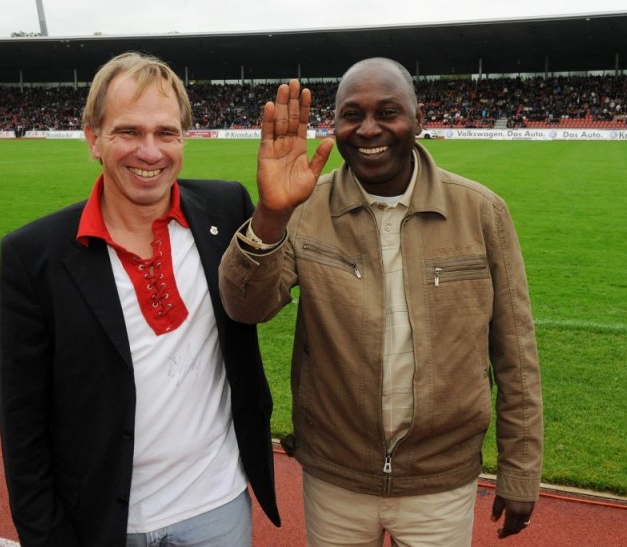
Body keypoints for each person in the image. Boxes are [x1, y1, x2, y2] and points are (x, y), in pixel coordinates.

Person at [219, 57, 543, 546]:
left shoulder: (480, 211)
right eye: (352, 114)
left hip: (440, 480)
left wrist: (520, 470)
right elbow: (246, 307)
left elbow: (516, 353)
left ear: (418, 119)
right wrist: (270, 214)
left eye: (387, 112)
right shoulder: (304, 208)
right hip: (336, 476)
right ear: (336, 123)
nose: (368, 128)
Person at [0, 52, 280, 546]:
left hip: (217, 507)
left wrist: (274, 215)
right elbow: (22, 424)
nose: (150, 152)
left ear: (183, 139)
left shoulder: (226, 208)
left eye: (166, 133)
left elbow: (263, 299)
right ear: (93, 139)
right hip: (104, 522)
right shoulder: (33, 255)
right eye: (128, 132)